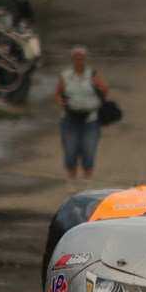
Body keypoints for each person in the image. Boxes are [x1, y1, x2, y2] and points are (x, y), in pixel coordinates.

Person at [54, 46, 109, 187]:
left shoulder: (92, 74)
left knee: (89, 150)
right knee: (70, 150)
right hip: (70, 119)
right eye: (77, 59)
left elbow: (104, 90)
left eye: (82, 59)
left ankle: (87, 181)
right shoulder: (65, 76)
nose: (80, 62)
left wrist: (101, 88)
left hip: (90, 119)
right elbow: (58, 93)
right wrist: (61, 103)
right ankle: (71, 181)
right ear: (73, 61)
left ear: (85, 60)